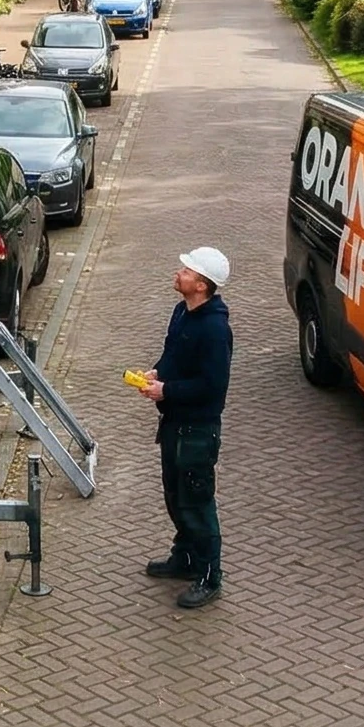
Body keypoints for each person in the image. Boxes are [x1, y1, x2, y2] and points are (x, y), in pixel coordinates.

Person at [140, 245, 232, 609]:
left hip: (197, 431)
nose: (179, 274)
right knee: (175, 496)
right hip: (174, 423)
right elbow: (172, 354)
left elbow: (213, 386)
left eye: (187, 272)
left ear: (202, 285)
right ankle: (186, 557)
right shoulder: (181, 312)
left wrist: (167, 391)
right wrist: (157, 373)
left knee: (196, 502)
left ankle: (210, 576)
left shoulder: (214, 330)